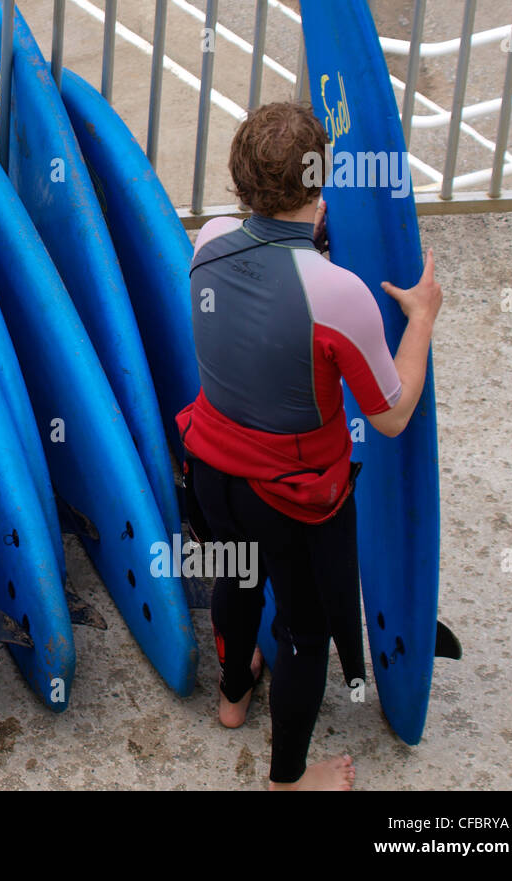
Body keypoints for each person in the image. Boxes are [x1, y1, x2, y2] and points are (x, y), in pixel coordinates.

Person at [175, 102, 442, 790]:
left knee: (235, 580)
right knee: (301, 629)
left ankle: (233, 698)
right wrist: (423, 318)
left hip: (207, 470)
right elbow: (390, 413)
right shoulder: (340, 294)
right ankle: (289, 781)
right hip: (290, 500)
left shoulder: (208, 241)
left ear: (239, 181)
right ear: (321, 188)